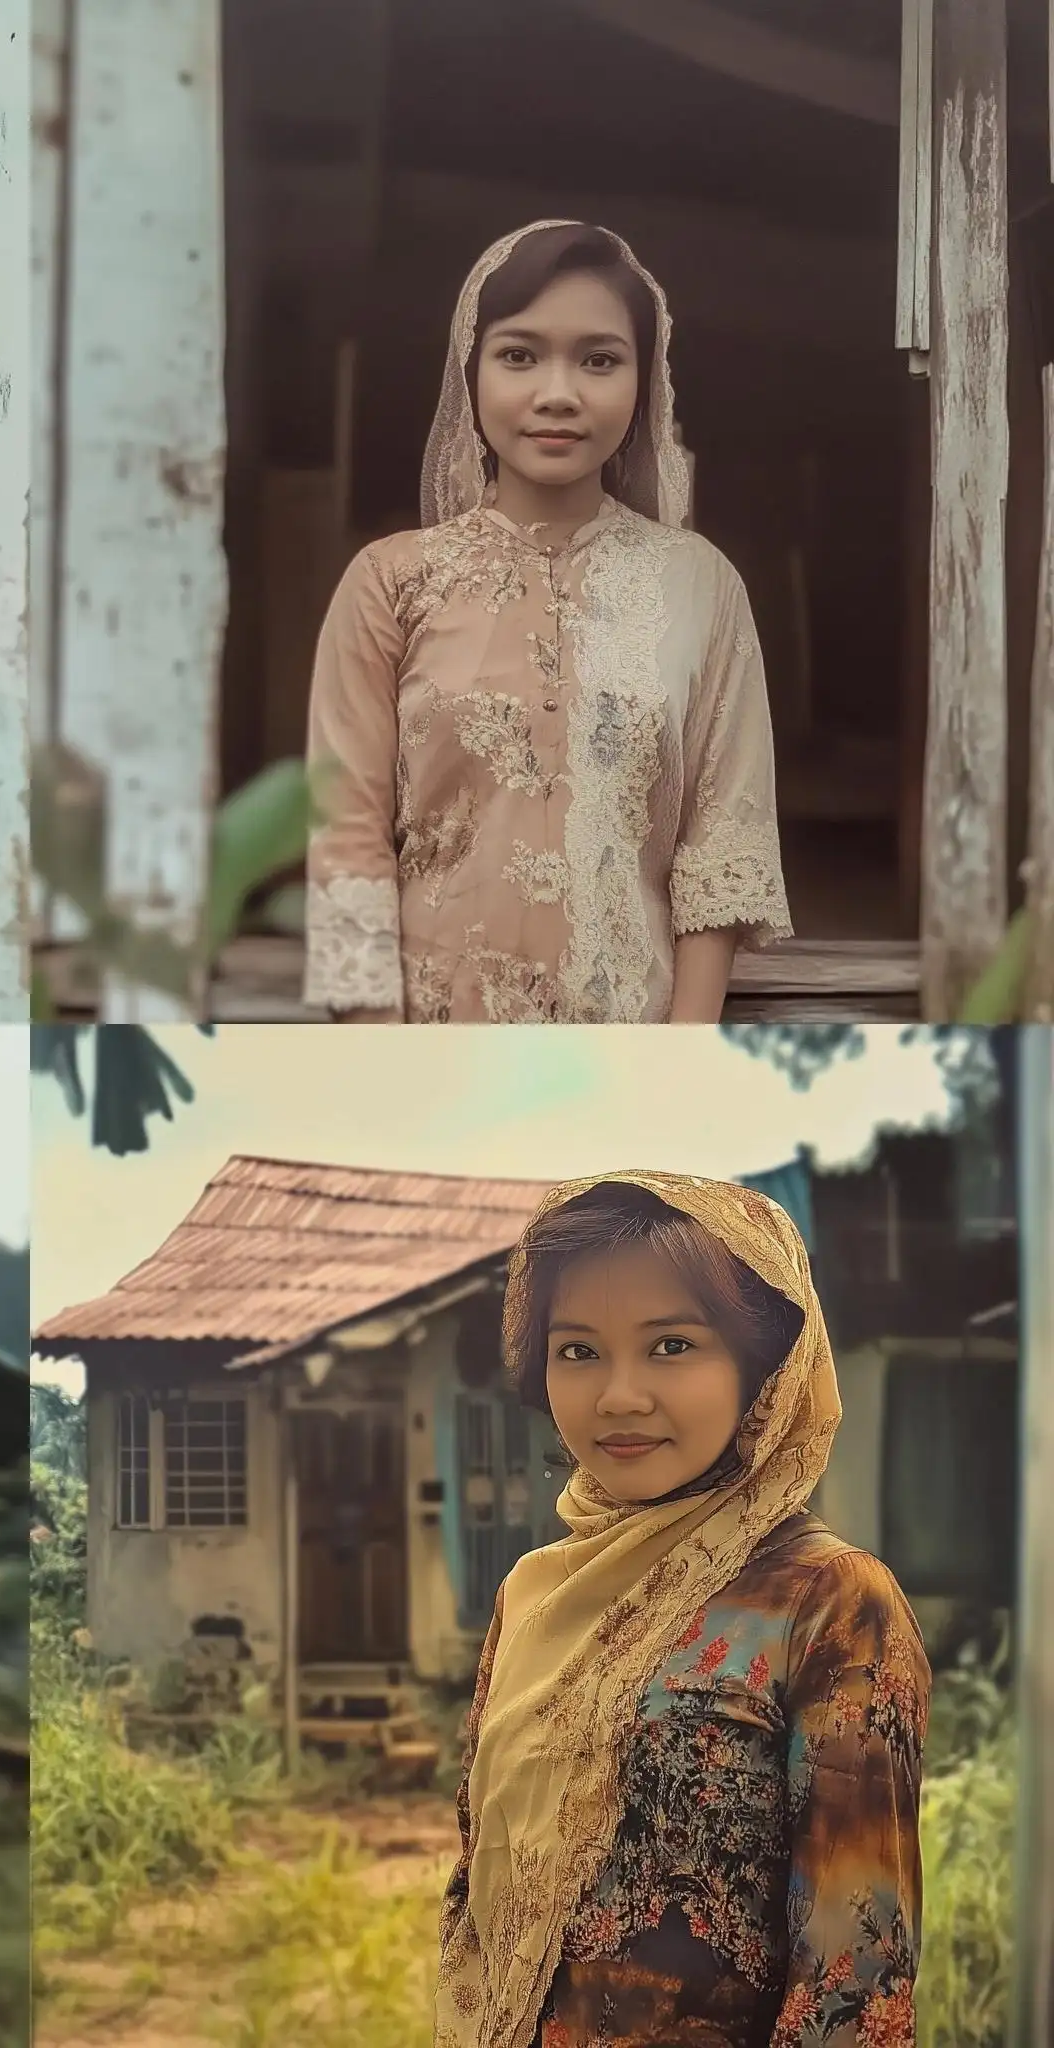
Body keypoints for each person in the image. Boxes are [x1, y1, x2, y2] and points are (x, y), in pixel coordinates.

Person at [437, 1173, 925, 2048]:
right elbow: (478, 1893)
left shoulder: (829, 1602)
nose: (618, 1395)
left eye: (670, 1345)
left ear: (762, 1366)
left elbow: (856, 1982)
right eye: (578, 1350)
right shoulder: (533, 1593)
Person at [304, 222, 790, 1023]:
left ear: (644, 383)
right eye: (519, 355)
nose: (558, 393)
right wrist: (382, 1070)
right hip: (431, 1057)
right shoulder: (391, 582)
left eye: (599, 360)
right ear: (471, 371)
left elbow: (722, 853)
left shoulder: (699, 585)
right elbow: (346, 842)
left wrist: (682, 1072)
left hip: (628, 1067)